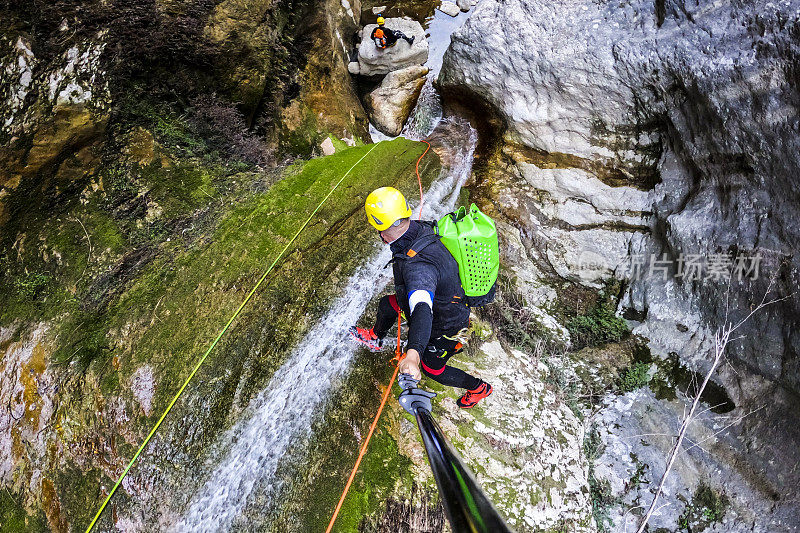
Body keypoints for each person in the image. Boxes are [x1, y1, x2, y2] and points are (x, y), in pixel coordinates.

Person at [349, 187, 493, 409]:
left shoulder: (418, 269)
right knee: (387, 305)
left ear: (380, 228)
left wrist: (413, 355)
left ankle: (478, 388)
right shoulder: (420, 229)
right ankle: (375, 338)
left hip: (446, 323)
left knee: (432, 367)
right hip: (445, 299)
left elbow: (422, 309)